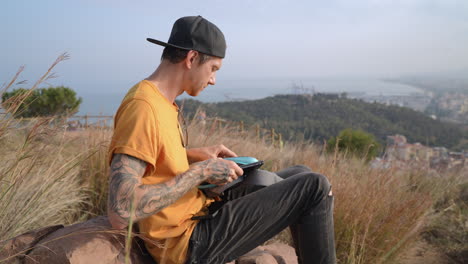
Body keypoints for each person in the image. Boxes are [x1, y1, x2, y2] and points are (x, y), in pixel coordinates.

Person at [107, 15, 336, 264]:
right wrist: (200, 171)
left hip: (197, 210)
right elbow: (121, 209)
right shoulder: (143, 108)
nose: (213, 80)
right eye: (213, 69)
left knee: (300, 173)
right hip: (188, 242)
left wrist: (194, 156)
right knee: (315, 187)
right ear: (192, 58)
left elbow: (154, 163)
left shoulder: (162, 102)